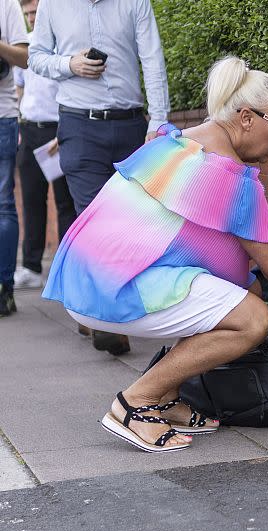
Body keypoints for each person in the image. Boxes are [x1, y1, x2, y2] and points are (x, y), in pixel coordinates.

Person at [42, 56, 268, 453]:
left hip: (85, 276)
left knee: (237, 297)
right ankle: (137, 402)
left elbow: (212, 253)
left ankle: (166, 397)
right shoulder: (229, 177)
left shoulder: (178, 141)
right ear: (247, 118)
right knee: (251, 319)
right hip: (112, 288)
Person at [28, 0, 171, 350]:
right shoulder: (52, 4)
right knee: (92, 218)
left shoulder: (135, 2)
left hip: (130, 125)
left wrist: (158, 120)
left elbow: (151, 58)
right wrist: (69, 64)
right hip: (78, 125)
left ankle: (93, 307)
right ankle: (106, 317)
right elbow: (36, 56)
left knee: (131, 220)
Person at [12, 0, 76, 291]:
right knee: (31, 200)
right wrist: (19, 124)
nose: (32, 18)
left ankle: (65, 268)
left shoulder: (60, 43)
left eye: (35, 13)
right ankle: (32, 267)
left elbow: (69, 90)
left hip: (57, 131)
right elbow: (20, 88)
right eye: (27, 14)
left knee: (65, 202)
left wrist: (63, 132)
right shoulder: (24, 46)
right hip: (29, 130)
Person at [0, 0, 30, 317]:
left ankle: (3, 288)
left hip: (1, 117)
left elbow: (24, 57)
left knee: (2, 203)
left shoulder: (7, 4)